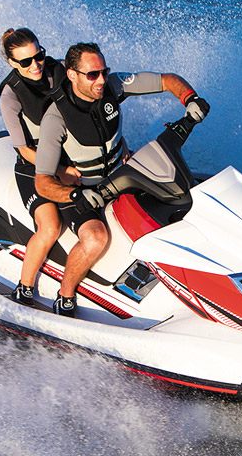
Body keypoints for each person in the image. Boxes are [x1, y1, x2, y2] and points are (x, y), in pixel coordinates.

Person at [35, 42, 210, 317]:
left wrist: (190, 98)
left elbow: (166, 80)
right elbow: (42, 181)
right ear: (72, 75)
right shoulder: (55, 119)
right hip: (84, 194)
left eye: (104, 72)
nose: (101, 80)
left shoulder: (114, 86)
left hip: (123, 176)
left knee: (186, 197)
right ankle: (65, 295)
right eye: (92, 74)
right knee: (95, 238)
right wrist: (75, 195)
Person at [0, 28, 79, 306]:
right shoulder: (10, 96)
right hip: (34, 167)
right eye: (25, 62)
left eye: (39, 56)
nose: (35, 65)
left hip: (70, 160)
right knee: (50, 227)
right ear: (12, 62)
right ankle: (24, 288)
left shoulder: (60, 70)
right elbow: (23, 149)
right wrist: (59, 171)